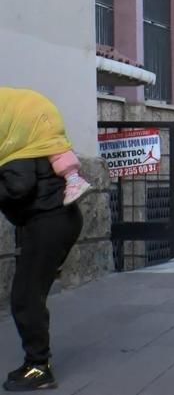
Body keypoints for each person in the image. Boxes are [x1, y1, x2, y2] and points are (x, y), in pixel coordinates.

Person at [0, 157, 84, 391]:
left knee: (26, 297)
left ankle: (39, 368)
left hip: (51, 221)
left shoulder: (16, 146)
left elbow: (19, 185)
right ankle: (35, 362)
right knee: (28, 294)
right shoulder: (18, 139)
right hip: (51, 219)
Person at [0, 88, 92, 205]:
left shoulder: (21, 153)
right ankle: (74, 180)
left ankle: (75, 181)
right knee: (57, 148)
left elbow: (21, 186)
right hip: (44, 113)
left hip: (37, 116)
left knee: (56, 149)